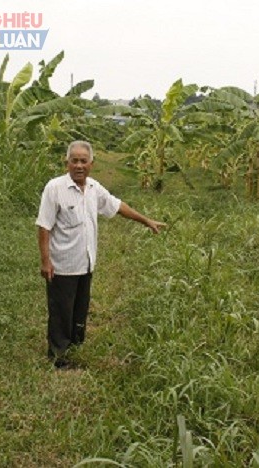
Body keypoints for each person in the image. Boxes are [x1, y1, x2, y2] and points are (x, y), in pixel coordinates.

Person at [36, 140, 166, 369]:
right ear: (66, 163)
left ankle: (76, 344)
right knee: (61, 311)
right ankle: (59, 357)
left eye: (83, 161)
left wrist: (146, 221)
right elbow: (44, 226)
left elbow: (117, 206)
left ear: (91, 164)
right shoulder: (54, 188)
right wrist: (45, 261)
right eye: (74, 161)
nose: (78, 165)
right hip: (62, 264)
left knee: (80, 307)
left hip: (85, 262)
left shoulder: (95, 189)